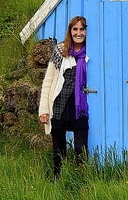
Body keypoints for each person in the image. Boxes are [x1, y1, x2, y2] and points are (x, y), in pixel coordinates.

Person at [38, 16, 89, 180]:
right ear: (70, 31)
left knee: (81, 146)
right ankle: (58, 177)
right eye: (75, 29)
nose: (78, 33)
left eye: (82, 29)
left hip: (79, 105)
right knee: (58, 146)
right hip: (60, 104)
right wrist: (44, 110)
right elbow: (48, 82)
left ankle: (80, 178)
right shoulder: (61, 51)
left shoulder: (91, 50)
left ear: (86, 31)